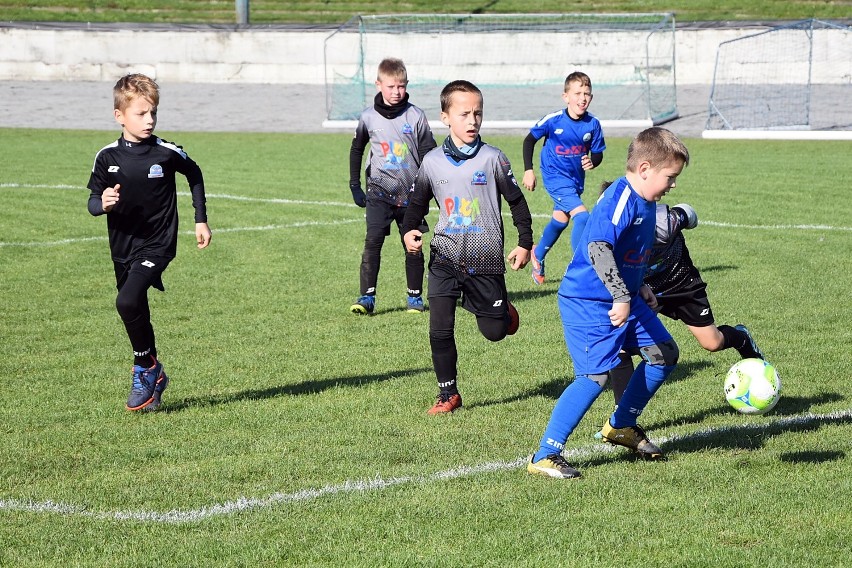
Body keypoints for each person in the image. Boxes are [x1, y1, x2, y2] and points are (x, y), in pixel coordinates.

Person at [527, 127, 689, 479]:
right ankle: (545, 454)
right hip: (589, 299)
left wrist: (640, 284)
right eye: (670, 177)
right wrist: (620, 294)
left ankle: (621, 426)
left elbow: (628, 251)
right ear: (645, 168)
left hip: (625, 296)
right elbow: (598, 247)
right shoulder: (621, 197)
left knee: (663, 352)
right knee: (594, 375)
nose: (673, 185)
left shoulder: (646, 201)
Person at [402, 80, 533, 414]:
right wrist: (410, 231)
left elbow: (517, 202)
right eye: (465, 114)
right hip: (444, 257)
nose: (473, 121)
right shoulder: (431, 162)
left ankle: (502, 314)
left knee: (493, 332)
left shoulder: (493, 159)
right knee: (439, 328)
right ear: (446, 117)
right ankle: (448, 394)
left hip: (485, 261)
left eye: (478, 113)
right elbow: (416, 206)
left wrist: (525, 243)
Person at [87, 73, 211, 411]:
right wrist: (104, 204)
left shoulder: (166, 152)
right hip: (122, 247)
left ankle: (145, 367)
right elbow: (93, 202)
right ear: (119, 115)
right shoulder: (107, 157)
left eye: (153, 112)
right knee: (136, 306)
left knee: (126, 302)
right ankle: (153, 376)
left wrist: (200, 219)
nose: (150, 120)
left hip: (158, 243)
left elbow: (195, 173)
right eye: (141, 113)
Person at [604, 194, 765, 405]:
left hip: (682, 285)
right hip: (646, 291)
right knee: (619, 343)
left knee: (712, 342)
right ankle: (620, 418)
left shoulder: (662, 223)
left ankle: (742, 338)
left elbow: (687, 213)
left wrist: (679, 215)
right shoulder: (610, 237)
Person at [349, 57, 437, 315]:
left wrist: (429, 188)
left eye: (401, 86)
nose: (397, 92)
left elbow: (429, 153)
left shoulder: (416, 116)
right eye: (391, 86)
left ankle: (414, 298)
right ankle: (367, 297)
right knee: (373, 240)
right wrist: (355, 184)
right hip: (379, 193)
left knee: (414, 244)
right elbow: (357, 149)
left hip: (412, 194)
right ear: (379, 85)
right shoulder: (368, 117)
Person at [522, 71, 606, 285]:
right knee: (582, 217)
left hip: (575, 180)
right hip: (554, 177)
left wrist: (592, 162)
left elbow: (597, 153)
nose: (582, 98)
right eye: (577, 93)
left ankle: (538, 254)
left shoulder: (593, 124)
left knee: (560, 220)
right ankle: (581, 268)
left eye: (587, 93)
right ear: (566, 96)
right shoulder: (553, 120)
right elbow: (528, 141)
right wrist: (528, 170)